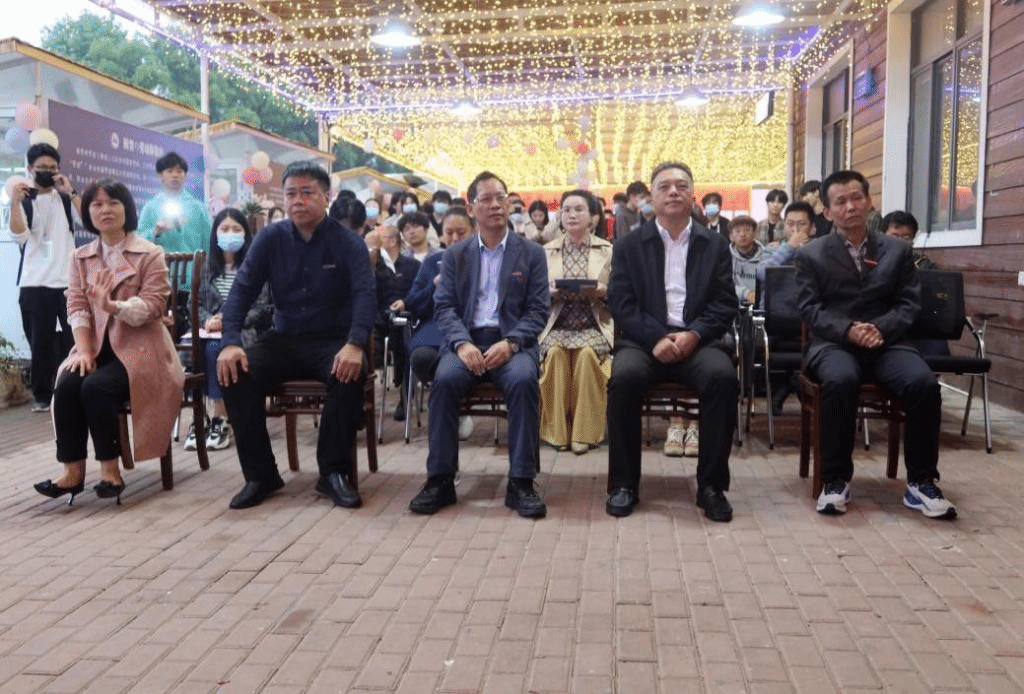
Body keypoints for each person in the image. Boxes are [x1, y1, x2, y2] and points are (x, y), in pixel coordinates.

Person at [795, 170, 955, 519]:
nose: (850, 206)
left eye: (857, 198)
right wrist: (849, 330)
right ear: (827, 212)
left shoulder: (898, 251)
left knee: (923, 384)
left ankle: (922, 482)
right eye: (840, 201)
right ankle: (835, 480)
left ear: (869, 202)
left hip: (888, 342)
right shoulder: (812, 254)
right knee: (840, 380)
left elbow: (909, 304)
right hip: (834, 344)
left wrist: (879, 329)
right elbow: (809, 308)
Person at [216, 161, 376, 510]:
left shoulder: (348, 242)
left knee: (349, 373)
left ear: (326, 197)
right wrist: (230, 342)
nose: (298, 201)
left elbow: (365, 295)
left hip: (333, 340)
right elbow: (241, 291)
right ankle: (261, 475)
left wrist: (355, 343)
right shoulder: (270, 238)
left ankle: (333, 473)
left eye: (307, 193)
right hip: (284, 339)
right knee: (235, 372)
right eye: (291, 194)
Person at [408, 171, 550, 518]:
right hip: (466, 342)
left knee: (523, 381)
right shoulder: (456, 255)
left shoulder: (531, 253)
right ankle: (440, 479)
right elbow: (444, 307)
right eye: (486, 199)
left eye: (500, 197)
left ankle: (521, 482)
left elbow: (538, 310)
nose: (495, 204)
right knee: (444, 380)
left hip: (512, 343)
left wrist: (512, 343)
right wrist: (461, 344)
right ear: (472, 208)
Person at [34, 179, 183, 506]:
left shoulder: (150, 253)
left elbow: (154, 306)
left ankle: (110, 471)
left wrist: (112, 306)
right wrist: (85, 351)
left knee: (96, 387)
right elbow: (76, 305)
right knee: (68, 384)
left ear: (126, 208)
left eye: (113, 203)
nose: (105, 210)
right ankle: (72, 472)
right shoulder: (80, 257)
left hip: (142, 350)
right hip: (96, 347)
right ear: (87, 212)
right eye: (97, 204)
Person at [605, 162, 739, 522]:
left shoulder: (714, 244)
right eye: (664, 187)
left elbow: (725, 302)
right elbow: (621, 302)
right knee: (623, 379)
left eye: (681, 185)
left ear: (693, 195)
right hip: (644, 341)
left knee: (722, 378)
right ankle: (624, 485)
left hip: (698, 339)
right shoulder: (630, 244)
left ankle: (711, 487)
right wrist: (655, 337)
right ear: (652, 197)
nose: (673, 192)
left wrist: (694, 334)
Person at [186, 208, 273, 452]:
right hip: (208, 331)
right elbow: (194, 304)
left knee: (215, 348)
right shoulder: (205, 267)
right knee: (197, 350)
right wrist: (207, 321)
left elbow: (264, 308)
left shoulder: (256, 266)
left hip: (245, 332)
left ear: (246, 234)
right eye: (224, 229)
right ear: (215, 233)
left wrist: (229, 321)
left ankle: (219, 417)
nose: (230, 233)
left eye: (236, 229)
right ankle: (201, 418)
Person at [539, 190, 613, 454]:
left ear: (593, 216)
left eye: (579, 209)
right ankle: (557, 432)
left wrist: (603, 291)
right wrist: (548, 293)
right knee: (555, 356)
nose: (571, 214)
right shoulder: (546, 252)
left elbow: (622, 293)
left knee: (587, 356)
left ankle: (585, 433)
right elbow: (532, 295)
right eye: (566, 209)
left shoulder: (608, 251)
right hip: (556, 324)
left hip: (593, 323)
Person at [8, 143, 80, 412]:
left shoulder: (64, 199)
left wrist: (71, 191)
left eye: (53, 167)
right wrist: (15, 202)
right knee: (40, 344)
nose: (48, 172)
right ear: (30, 169)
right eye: (42, 168)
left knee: (75, 340)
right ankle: (42, 396)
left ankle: (75, 388)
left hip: (68, 282)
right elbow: (19, 235)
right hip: (34, 283)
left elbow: (90, 221)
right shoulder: (24, 200)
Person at [404, 206, 477, 439]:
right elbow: (413, 303)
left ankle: (455, 405)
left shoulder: (486, 259)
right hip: (435, 329)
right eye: (449, 233)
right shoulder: (433, 261)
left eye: (461, 232)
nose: (455, 238)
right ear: (441, 234)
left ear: (473, 230)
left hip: (473, 329)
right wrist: (433, 285)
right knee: (422, 357)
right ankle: (453, 406)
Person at [755, 201, 816, 415]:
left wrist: (803, 250)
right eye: (790, 224)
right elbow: (762, 273)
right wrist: (789, 248)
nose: (795, 229)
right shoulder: (773, 250)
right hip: (774, 325)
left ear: (812, 227)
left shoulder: (821, 250)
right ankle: (792, 383)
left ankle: (787, 385)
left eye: (801, 224)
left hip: (809, 324)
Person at [883, 210, 949, 357]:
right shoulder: (873, 263)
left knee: (938, 350)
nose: (900, 242)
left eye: (906, 237)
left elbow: (940, 300)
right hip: (884, 327)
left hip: (917, 326)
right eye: (894, 236)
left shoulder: (925, 266)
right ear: (883, 236)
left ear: (913, 239)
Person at [374, 225, 421, 420]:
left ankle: (405, 395)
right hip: (380, 319)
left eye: (379, 238)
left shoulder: (413, 266)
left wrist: (405, 302)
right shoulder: (375, 265)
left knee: (403, 335)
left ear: (393, 241)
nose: (375, 243)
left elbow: (420, 292)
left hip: (406, 319)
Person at [137, 152, 211, 256]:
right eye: (169, 171)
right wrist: (156, 231)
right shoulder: (150, 207)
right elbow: (139, 240)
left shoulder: (198, 208)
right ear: (160, 176)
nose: (175, 175)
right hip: (161, 264)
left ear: (185, 175)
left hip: (192, 265)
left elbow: (208, 242)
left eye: (179, 171)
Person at [728, 215, 765, 305]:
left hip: (760, 304)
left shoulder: (766, 256)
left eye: (747, 230)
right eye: (738, 231)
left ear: (755, 233)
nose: (742, 234)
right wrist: (746, 293)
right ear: (731, 236)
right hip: (733, 304)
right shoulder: (725, 257)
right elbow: (723, 285)